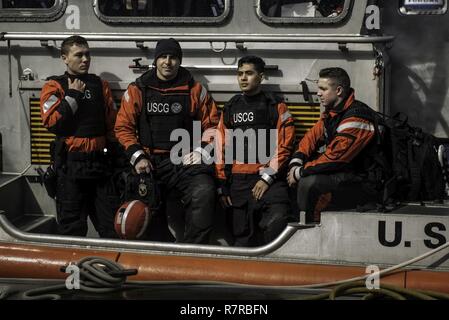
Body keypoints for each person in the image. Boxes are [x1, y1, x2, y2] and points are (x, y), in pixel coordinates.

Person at [115, 38, 219, 244]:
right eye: (163, 57)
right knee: (144, 212)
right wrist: (138, 158)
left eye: (173, 57)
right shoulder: (138, 89)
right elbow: (123, 127)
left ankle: (193, 251)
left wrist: (201, 152)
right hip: (150, 163)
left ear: (180, 61)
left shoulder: (195, 90)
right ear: (156, 60)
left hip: (185, 163)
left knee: (204, 191)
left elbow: (213, 127)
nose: (168, 62)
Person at [40, 35, 119, 237]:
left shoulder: (100, 85)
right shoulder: (54, 86)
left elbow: (112, 125)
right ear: (65, 58)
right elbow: (52, 123)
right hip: (71, 168)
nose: (85, 59)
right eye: (79, 55)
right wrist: (72, 96)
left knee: (111, 228)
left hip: (100, 167)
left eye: (87, 54)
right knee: (72, 229)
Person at [216, 55, 296, 247]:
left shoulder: (276, 107)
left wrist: (267, 178)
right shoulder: (230, 108)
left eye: (249, 73)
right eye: (240, 74)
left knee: (277, 221)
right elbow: (220, 148)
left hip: (270, 180)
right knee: (241, 239)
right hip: (238, 182)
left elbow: (285, 145)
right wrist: (222, 185)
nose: (243, 78)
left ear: (261, 77)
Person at [287, 67, 380, 224]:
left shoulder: (357, 118)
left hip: (363, 183)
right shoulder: (333, 114)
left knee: (309, 182)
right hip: (344, 175)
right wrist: (296, 161)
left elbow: (334, 159)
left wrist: (300, 172)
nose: (318, 93)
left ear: (338, 90)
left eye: (323, 89)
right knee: (294, 171)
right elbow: (310, 139)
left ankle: (308, 227)